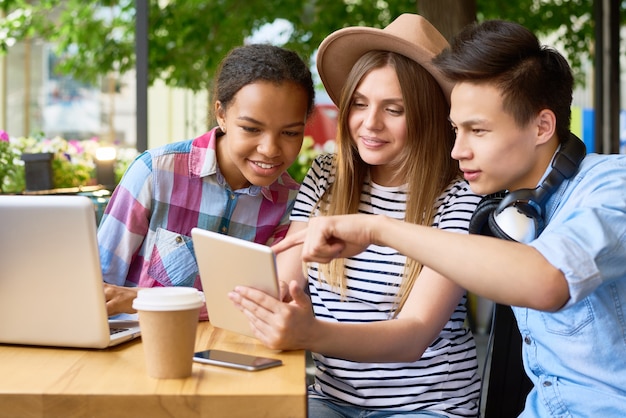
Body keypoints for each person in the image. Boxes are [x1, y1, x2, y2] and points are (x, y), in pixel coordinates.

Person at [271, 20, 626, 418]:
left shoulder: (613, 185)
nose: (457, 150)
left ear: (542, 126)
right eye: (456, 129)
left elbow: (548, 281)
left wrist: (377, 229)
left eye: (477, 130)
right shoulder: (512, 206)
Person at [229, 14, 482, 417]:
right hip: (331, 398)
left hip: (427, 405)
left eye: (394, 109)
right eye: (360, 104)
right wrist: (278, 300)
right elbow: (287, 279)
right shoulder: (327, 174)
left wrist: (312, 333)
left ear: (431, 114)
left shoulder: (460, 198)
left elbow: (414, 336)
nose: (370, 123)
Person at [98, 43, 315, 319]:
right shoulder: (155, 173)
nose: (270, 149)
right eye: (251, 129)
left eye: (290, 133)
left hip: (233, 353)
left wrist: (140, 298)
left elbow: (261, 306)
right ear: (221, 114)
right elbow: (100, 288)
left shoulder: (293, 206)